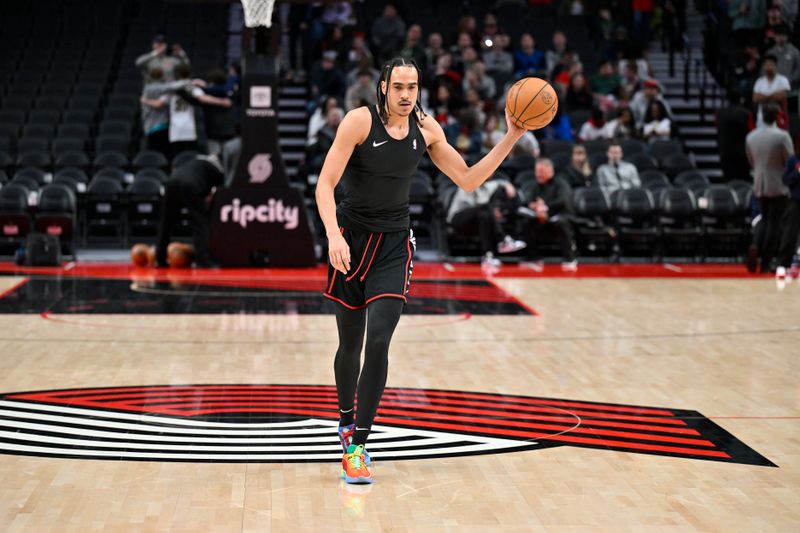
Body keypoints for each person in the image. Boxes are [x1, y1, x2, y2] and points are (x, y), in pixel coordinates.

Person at [314, 57, 526, 484]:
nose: (407, 95)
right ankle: (344, 421)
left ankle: (358, 444)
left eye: (413, 86)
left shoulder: (427, 130)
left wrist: (512, 136)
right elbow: (324, 184)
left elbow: (467, 180)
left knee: (378, 342)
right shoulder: (358, 122)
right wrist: (334, 237)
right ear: (383, 87)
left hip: (394, 247)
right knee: (348, 348)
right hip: (351, 243)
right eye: (399, 87)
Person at [745, 103, 794, 273]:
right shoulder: (782, 136)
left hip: (759, 181)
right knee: (774, 223)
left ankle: (755, 245)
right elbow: (790, 161)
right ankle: (765, 262)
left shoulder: (751, 136)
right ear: (776, 117)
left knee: (763, 219)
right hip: (778, 182)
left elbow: (750, 160)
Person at [155, 154, 225, 268]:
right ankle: (203, 259)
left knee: (166, 223)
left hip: (171, 182)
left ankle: (160, 258)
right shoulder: (217, 170)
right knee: (200, 224)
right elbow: (221, 193)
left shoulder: (194, 160)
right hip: (191, 185)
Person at [447, 176, 527, 268]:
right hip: (458, 219)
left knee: (484, 216)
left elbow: (500, 182)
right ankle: (503, 240)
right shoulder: (467, 185)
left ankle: (488, 255)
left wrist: (508, 184)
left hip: (475, 221)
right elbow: (472, 207)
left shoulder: (487, 186)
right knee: (485, 208)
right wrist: (492, 213)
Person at [519, 159, 577, 270]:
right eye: (537, 171)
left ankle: (570, 258)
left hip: (560, 215)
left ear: (550, 171)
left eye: (541, 171)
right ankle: (533, 258)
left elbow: (562, 200)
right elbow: (528, 201)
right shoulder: (536, 185)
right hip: (542, 219)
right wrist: (534, 206)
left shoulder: (561, 184)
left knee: (561, 222)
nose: (538, 174)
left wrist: (545, 206)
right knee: (526, 222)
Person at [753, 54, 791, 127]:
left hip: (778, 114)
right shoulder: (759, 81)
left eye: (771, 64)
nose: (769, 67)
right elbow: (755, 98)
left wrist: (764, 97)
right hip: (762, 115)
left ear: (775, 66)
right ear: (763, 67)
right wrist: (774, 95)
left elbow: (782, 97)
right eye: (766, 65)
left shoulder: (782, 80)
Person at [779, 154, 800, 279]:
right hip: (796, 202)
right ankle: (783, 265)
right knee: (790, 233)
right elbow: (785, 180)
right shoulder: (793, 160)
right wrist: (797, 172)